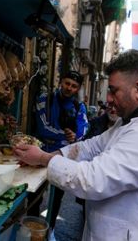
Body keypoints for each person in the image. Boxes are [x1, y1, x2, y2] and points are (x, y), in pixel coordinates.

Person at [15, 50, 138, 240]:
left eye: (114, 90)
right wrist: (50, 156)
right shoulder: (133, 121)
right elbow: (91, 146)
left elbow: (94, 179)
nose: (109, 99)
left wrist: (43, 158)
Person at [31, 70, 89, 231]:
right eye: (67, 83)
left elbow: (83, 129)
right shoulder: (45, 99)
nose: (69, 88)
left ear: (77, 89)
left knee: (56, 198)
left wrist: (75, 136)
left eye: (74, 86)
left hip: (62, 159)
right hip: (39, 155)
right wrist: (66, 136)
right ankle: (32, 229)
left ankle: (49, 230)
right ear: (61, 82)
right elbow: (42, 129)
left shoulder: (79, 106)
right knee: (34, 194)